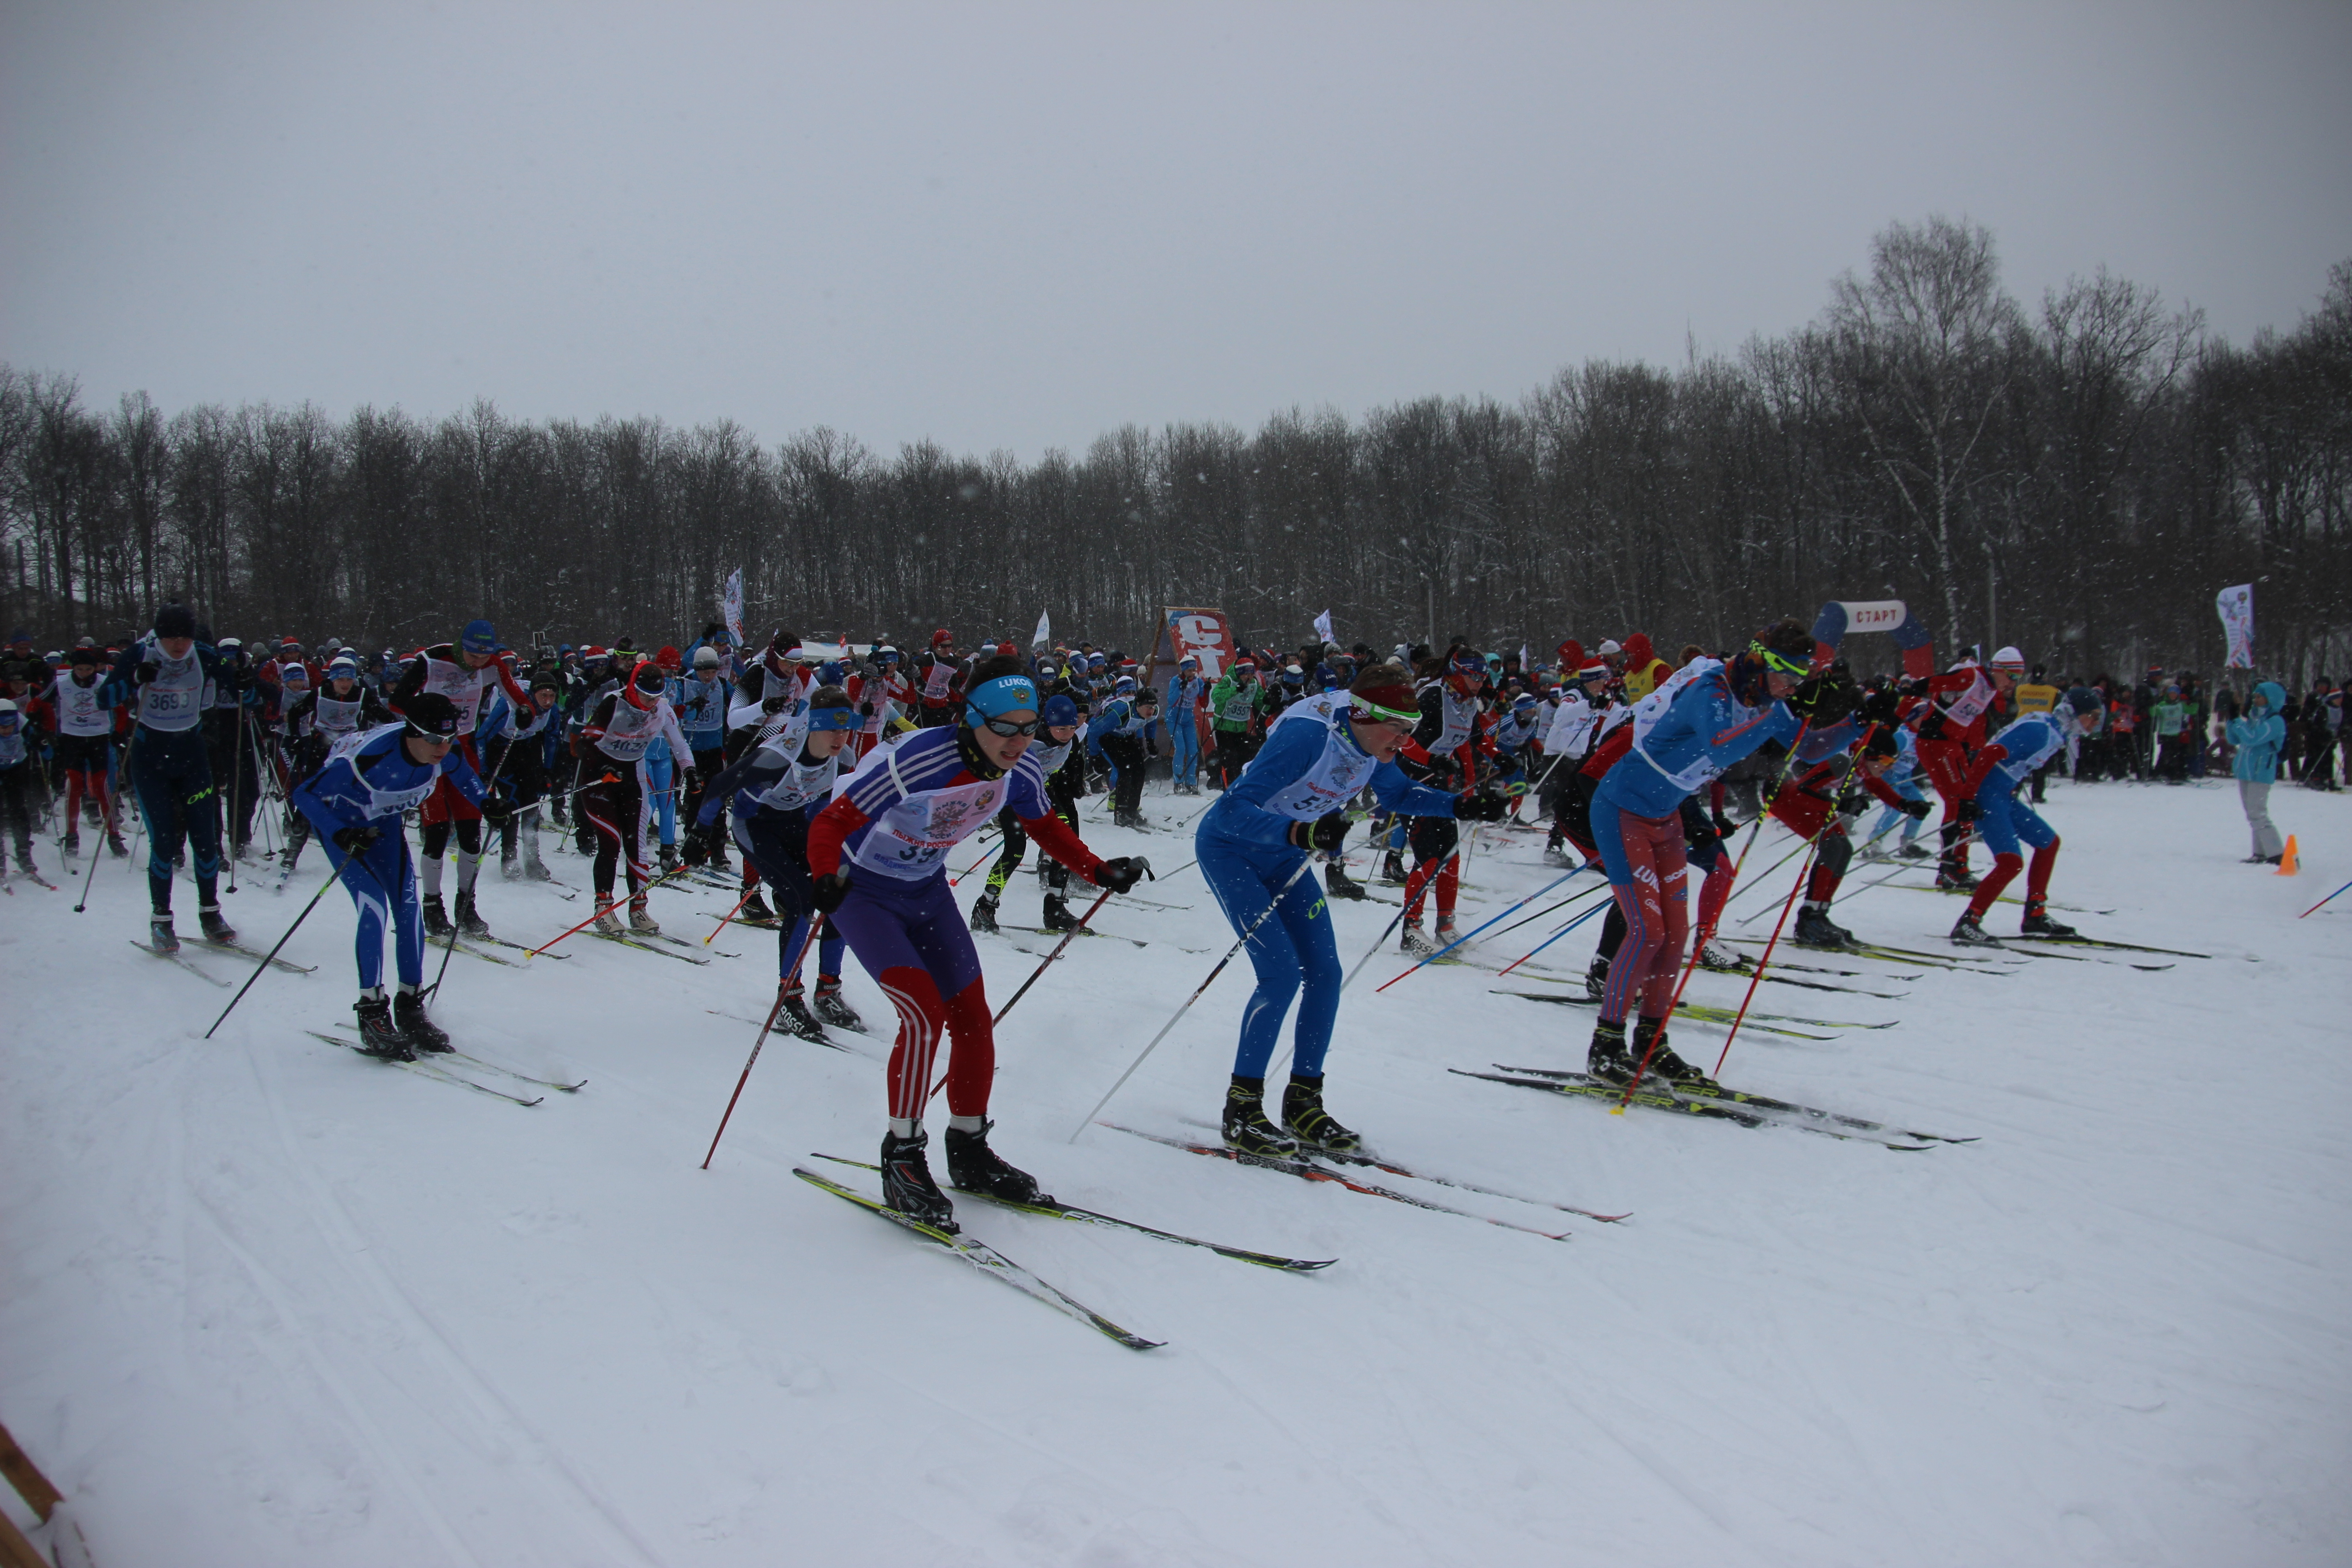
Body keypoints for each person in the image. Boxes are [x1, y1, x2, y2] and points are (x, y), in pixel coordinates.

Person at [805, 653, 1146, 1230]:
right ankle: (903, 1155)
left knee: (972, 1019)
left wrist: (1096, 870)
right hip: (867, 894)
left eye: (1029, 727)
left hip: (927, 892)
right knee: (922, 1016)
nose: (1019, 741)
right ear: (972, 719)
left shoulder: (1022, 770)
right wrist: (822, 876)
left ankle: (968, 1148)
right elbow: (831, 822)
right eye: (1005, 728)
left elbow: (1043, 824)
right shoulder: (918, 759)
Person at [1195, 663, 1503, 1156]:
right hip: (1233, 849)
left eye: (1412, 731)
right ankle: (1243, 1109)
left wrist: (1461, 806)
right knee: (1279, 975)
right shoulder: (1306, 737)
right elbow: (1231, 811)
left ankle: (1303, 1101)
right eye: (1398, 730)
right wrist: (1302, 832)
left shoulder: (1371, 742)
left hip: (1286, 853)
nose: (1404, 742)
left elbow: (1400, 794)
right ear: (1364, 715)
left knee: (1325, 973)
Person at [1581, 620, 1852, 1087]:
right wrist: (1784, 712)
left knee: (1675, 936)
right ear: (1760, 661)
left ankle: (1652, 1042)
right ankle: (1605, 1045)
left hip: (1665, 818)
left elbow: (1808, 746)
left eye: (1797, 681)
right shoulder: (1710, 689)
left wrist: (1854, 718)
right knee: (1647, 931)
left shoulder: (1762, 698)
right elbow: (1720, 747)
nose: (1788, 688)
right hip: (1621, 808)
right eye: (1785, 676)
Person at [291, 692, 484, 1058]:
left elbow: (466, 779)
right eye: (432, 739)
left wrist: (488, 803)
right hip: (346, 829)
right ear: (412, 734)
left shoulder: (445, 753)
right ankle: (371, 1011)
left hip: (382, 828)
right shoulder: (368, 758)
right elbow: (305, 794)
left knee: (409, 908)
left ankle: (410, 1005)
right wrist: (340, 832)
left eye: (448, 738)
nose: (442, 747)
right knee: (374, 907)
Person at [693, 685, 863, 1038]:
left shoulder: (844, 759)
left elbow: (831, 808)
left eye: (846, 728)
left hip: (797, 824)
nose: (840, 737)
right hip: (754, 826)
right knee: (803, 898)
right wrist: (699, 834)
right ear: (814, 725)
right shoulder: (777, 756)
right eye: (833, 728)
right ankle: (789, 997)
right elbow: (718, 787)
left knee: (841, 894)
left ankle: (828, 988)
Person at [389, 619, 534, 939]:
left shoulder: (494, 665)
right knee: (438, 833)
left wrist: (525, 710)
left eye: (484, 657)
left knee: (471, 834)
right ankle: (432, 905)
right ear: (461, 646)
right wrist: (426, 717)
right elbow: (397, 700)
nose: (478, 664)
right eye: (472, 656)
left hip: (464, 750)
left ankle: (466, 904)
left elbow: (517, 696)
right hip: (429, 752)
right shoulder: (432, 660)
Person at [106, 606, 237, 952]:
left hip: (192, 757)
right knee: (164, 843)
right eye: (171, 637)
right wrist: (134, 678)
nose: (179, 644)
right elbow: (105, 696)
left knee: (206, 839)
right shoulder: (140, 653)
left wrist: (246, 680)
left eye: (185, 636)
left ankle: (211, 914)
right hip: (151, 760)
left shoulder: (204, 655)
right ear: (159, 636)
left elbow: (239, 686)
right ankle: (161, 919)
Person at [1947, 698, 2092, 945]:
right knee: (2010, 862)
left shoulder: (2053, 730)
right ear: (2075, 713)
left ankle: (2035, 915)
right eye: (2094, 716)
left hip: (2002, 794)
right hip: (1988, 794)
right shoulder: (2041, 730)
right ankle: (1969, 922)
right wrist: (1968, 798)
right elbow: (1989, 753)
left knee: (2048, 843)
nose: (2096, 723)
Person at [575, 658, 692, 934]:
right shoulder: (613, 703)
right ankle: (603, 908)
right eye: (645, 695)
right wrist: (602, 765)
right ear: (632, 688)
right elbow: (584, 744)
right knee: (610, 843)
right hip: (600, 779)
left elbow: (679, 744)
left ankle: (638, 908)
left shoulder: (662, 709)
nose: (650, 702)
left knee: (636, 845)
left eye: (656, 697)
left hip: (632, 777)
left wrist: (691, 771)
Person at [969, 692, 1088, 935]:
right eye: (1060, 729)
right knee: (1014, 852)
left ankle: (1055, 909)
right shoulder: (1027, 739)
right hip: (1012, 795)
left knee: (1066, 842)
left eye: (1071, 728)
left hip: (1042, 793)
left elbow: (1079, 744)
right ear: (1048, 725)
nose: (1067, 734)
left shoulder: (1078, 734)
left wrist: (1076, 780)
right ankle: (985, 907)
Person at [277, 655, 392, 879]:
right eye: (341, 679)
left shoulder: (362, 695)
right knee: (311, 794)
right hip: (321, 747)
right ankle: (294, 848)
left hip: (349, 751)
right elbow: (296, 714)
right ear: (332, 679)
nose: (345, 684)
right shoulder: (319, 693)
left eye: (349, 679)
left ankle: (362, 848)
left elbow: (385, 717)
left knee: (356, 797)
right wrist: (295, 738)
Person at [40, 645, 129, 859]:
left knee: (101, 786)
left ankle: (114, 836)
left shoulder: (103, 683)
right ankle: (72, 837)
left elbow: (121, 710)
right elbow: (38, 704)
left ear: (94, 669)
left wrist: (118, 732)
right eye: (80, 670)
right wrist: (44, 727)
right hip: (72, 739)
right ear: (73, 668)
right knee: (74, 784)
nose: (84, 674)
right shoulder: (61, 683)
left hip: (98, 738)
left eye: (88, 670)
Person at [2226, 681, 2289, 865]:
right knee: (2252, 814)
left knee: (2258, 813)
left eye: (2259, 697)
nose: (2255, 700)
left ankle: (2277, 853)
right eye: (2254, 696)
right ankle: (2260, 852)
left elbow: (2253, 738)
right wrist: (2232, 718)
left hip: (2261, 773)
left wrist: (2238, 721)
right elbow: (2234, 738)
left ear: (2271, 699)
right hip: (2245, 771)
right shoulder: (2254, 718)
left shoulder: (2275, 721)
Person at [0, 699, 39, 879]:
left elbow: (44, 749)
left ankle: (24, 854)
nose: (6, 731)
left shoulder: (23, 724)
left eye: (10, 726)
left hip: (15, 769)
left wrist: (40, 744)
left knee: (19, 810)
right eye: (1, 727)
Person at [1166, 655, 1207, 794]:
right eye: (1189, 670)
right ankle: (1178, 781)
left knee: (1193, 751)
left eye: (1194, 670)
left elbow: (1204, 703)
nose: (1192, 673)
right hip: (1174, 718)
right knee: (1181, 749)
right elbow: (1171, 701)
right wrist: (1180, 689)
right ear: (1183, 670)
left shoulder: (1198, 682)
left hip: (1188, 719)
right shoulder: (1175, 681)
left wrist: (1206, 690)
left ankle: (1191, 783)